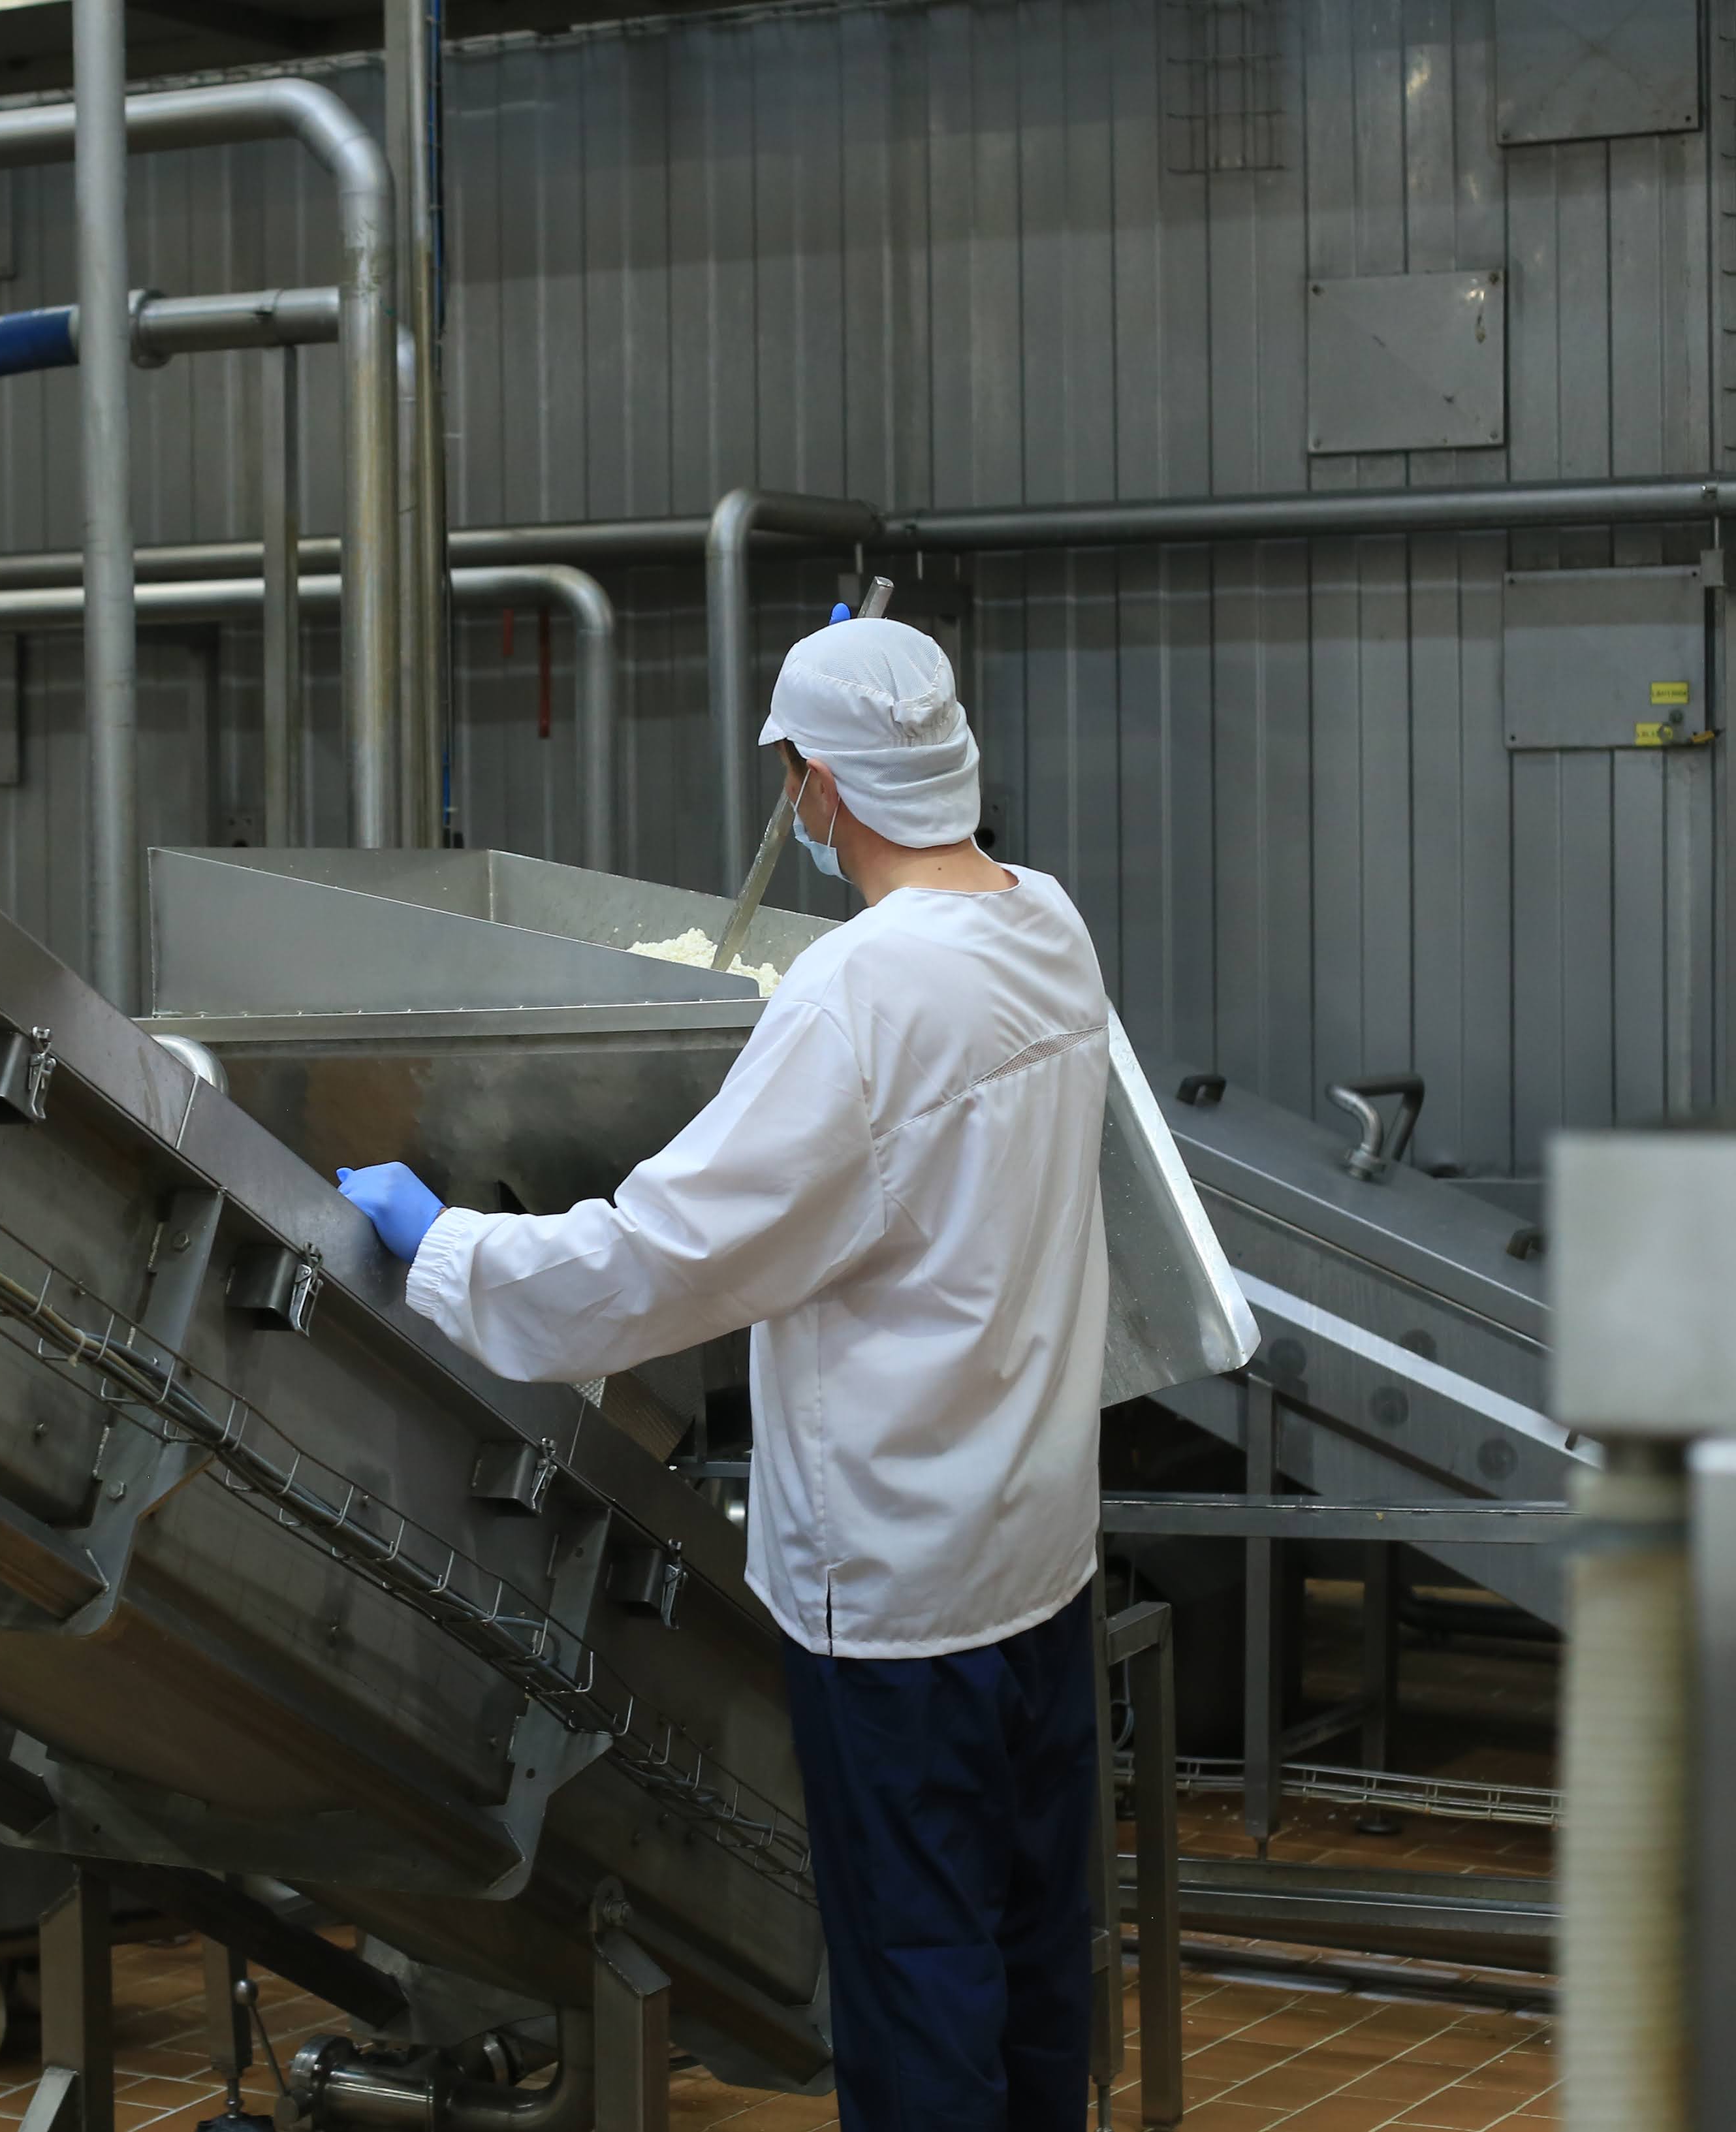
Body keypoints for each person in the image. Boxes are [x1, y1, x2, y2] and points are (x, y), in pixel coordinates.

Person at [333, 616, 1113, 2132]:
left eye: (792, 775)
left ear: (819, 785)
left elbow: (661, 1262)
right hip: (1037, 1550)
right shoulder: (1048, 925)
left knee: (918, 1965)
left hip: (896, 1589)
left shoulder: (854, 993)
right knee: (1031, 1952)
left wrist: (449, 1249)